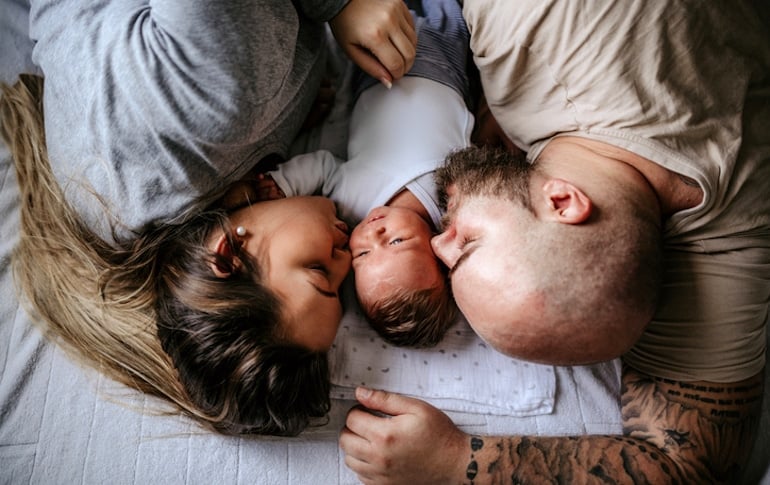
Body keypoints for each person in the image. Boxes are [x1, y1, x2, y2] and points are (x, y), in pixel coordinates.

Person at [339, 0, 770, 482]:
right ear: (562, 202)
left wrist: (460, 461)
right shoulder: (531, 22)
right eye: (468, 245)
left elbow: (690, 465)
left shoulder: (734, 238)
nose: (438, 245)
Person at [1, 0, 418, 436]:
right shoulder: (140, 227)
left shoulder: (217, 106)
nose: (346, 257)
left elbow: (224, 75)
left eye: (318, 273)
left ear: (227, 254)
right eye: (340, 286)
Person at [258, 0, 471, 347]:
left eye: (363, 254)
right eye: (397, 242)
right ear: (439, 250)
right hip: (442, 68)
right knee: (445, 11)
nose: (374, 235)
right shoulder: (453, 208)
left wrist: (283, 183)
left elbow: (324, 166)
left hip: (374, 77)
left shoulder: (351, 206)